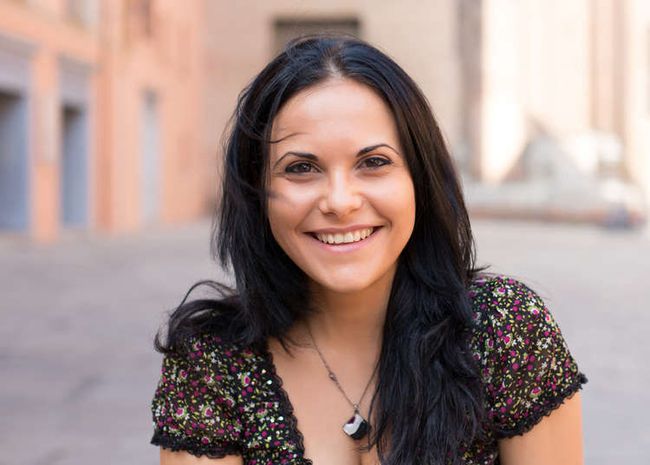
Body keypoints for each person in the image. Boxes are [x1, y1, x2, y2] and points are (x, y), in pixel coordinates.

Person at [150, 35, 587, 465]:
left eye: (374, 163)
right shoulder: (213, 362)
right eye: (301, 168)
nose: (340, 202)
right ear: (256, 191)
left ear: (419, 179)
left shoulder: (503, 330)